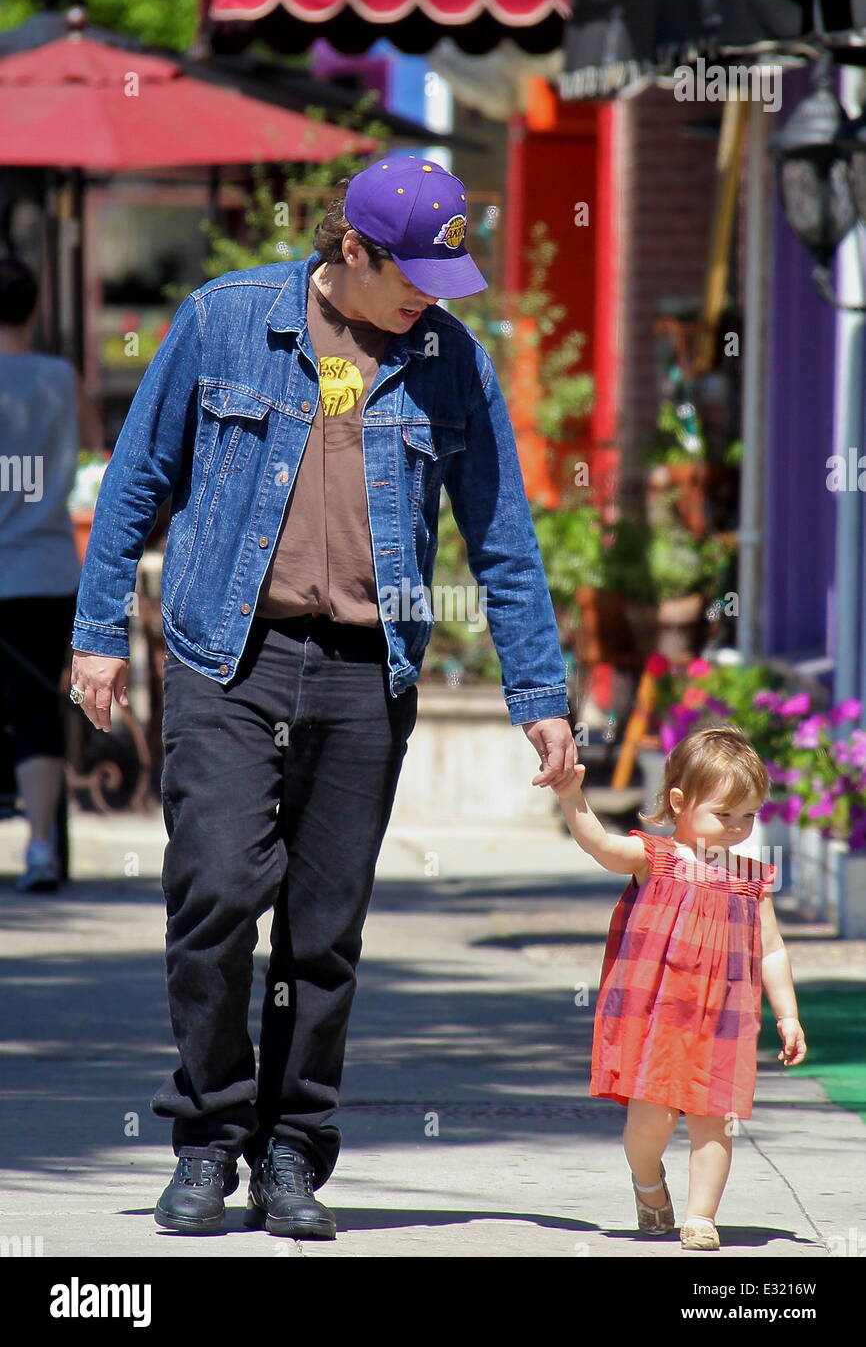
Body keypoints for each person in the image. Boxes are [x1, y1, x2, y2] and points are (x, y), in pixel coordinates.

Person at [69, 154, 578, 1238]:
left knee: (321, 932)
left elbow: (501, 534)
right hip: (227, 655)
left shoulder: (448, 359)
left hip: (362, 669)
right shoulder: (224, 321)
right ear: (350, 248)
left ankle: (293, 1151)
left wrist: (539, 692)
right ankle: (206, 1139)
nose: (430, 300)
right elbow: (135, 481)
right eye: (414, 276)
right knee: (215, 892)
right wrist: (98, 632)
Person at [545, 722, 806, 1251]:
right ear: (680, 802)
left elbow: (772, 948)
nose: (737, 827)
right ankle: (648, 1183)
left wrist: (787, 1014)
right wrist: (573, 795)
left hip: (725, 1018)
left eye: (749, 816)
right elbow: (599, 845)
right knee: (650, 1126)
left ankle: (701, 1216)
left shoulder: (751, 878)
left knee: (716, 1122)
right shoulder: (656, 858)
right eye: (724, 814)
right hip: (659, 1016)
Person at [0, 254, 101, 892]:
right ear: (35, 308)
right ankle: (40, 847)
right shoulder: (61, 377)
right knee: (38, 706)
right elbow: (95, 441)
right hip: (46, 569)